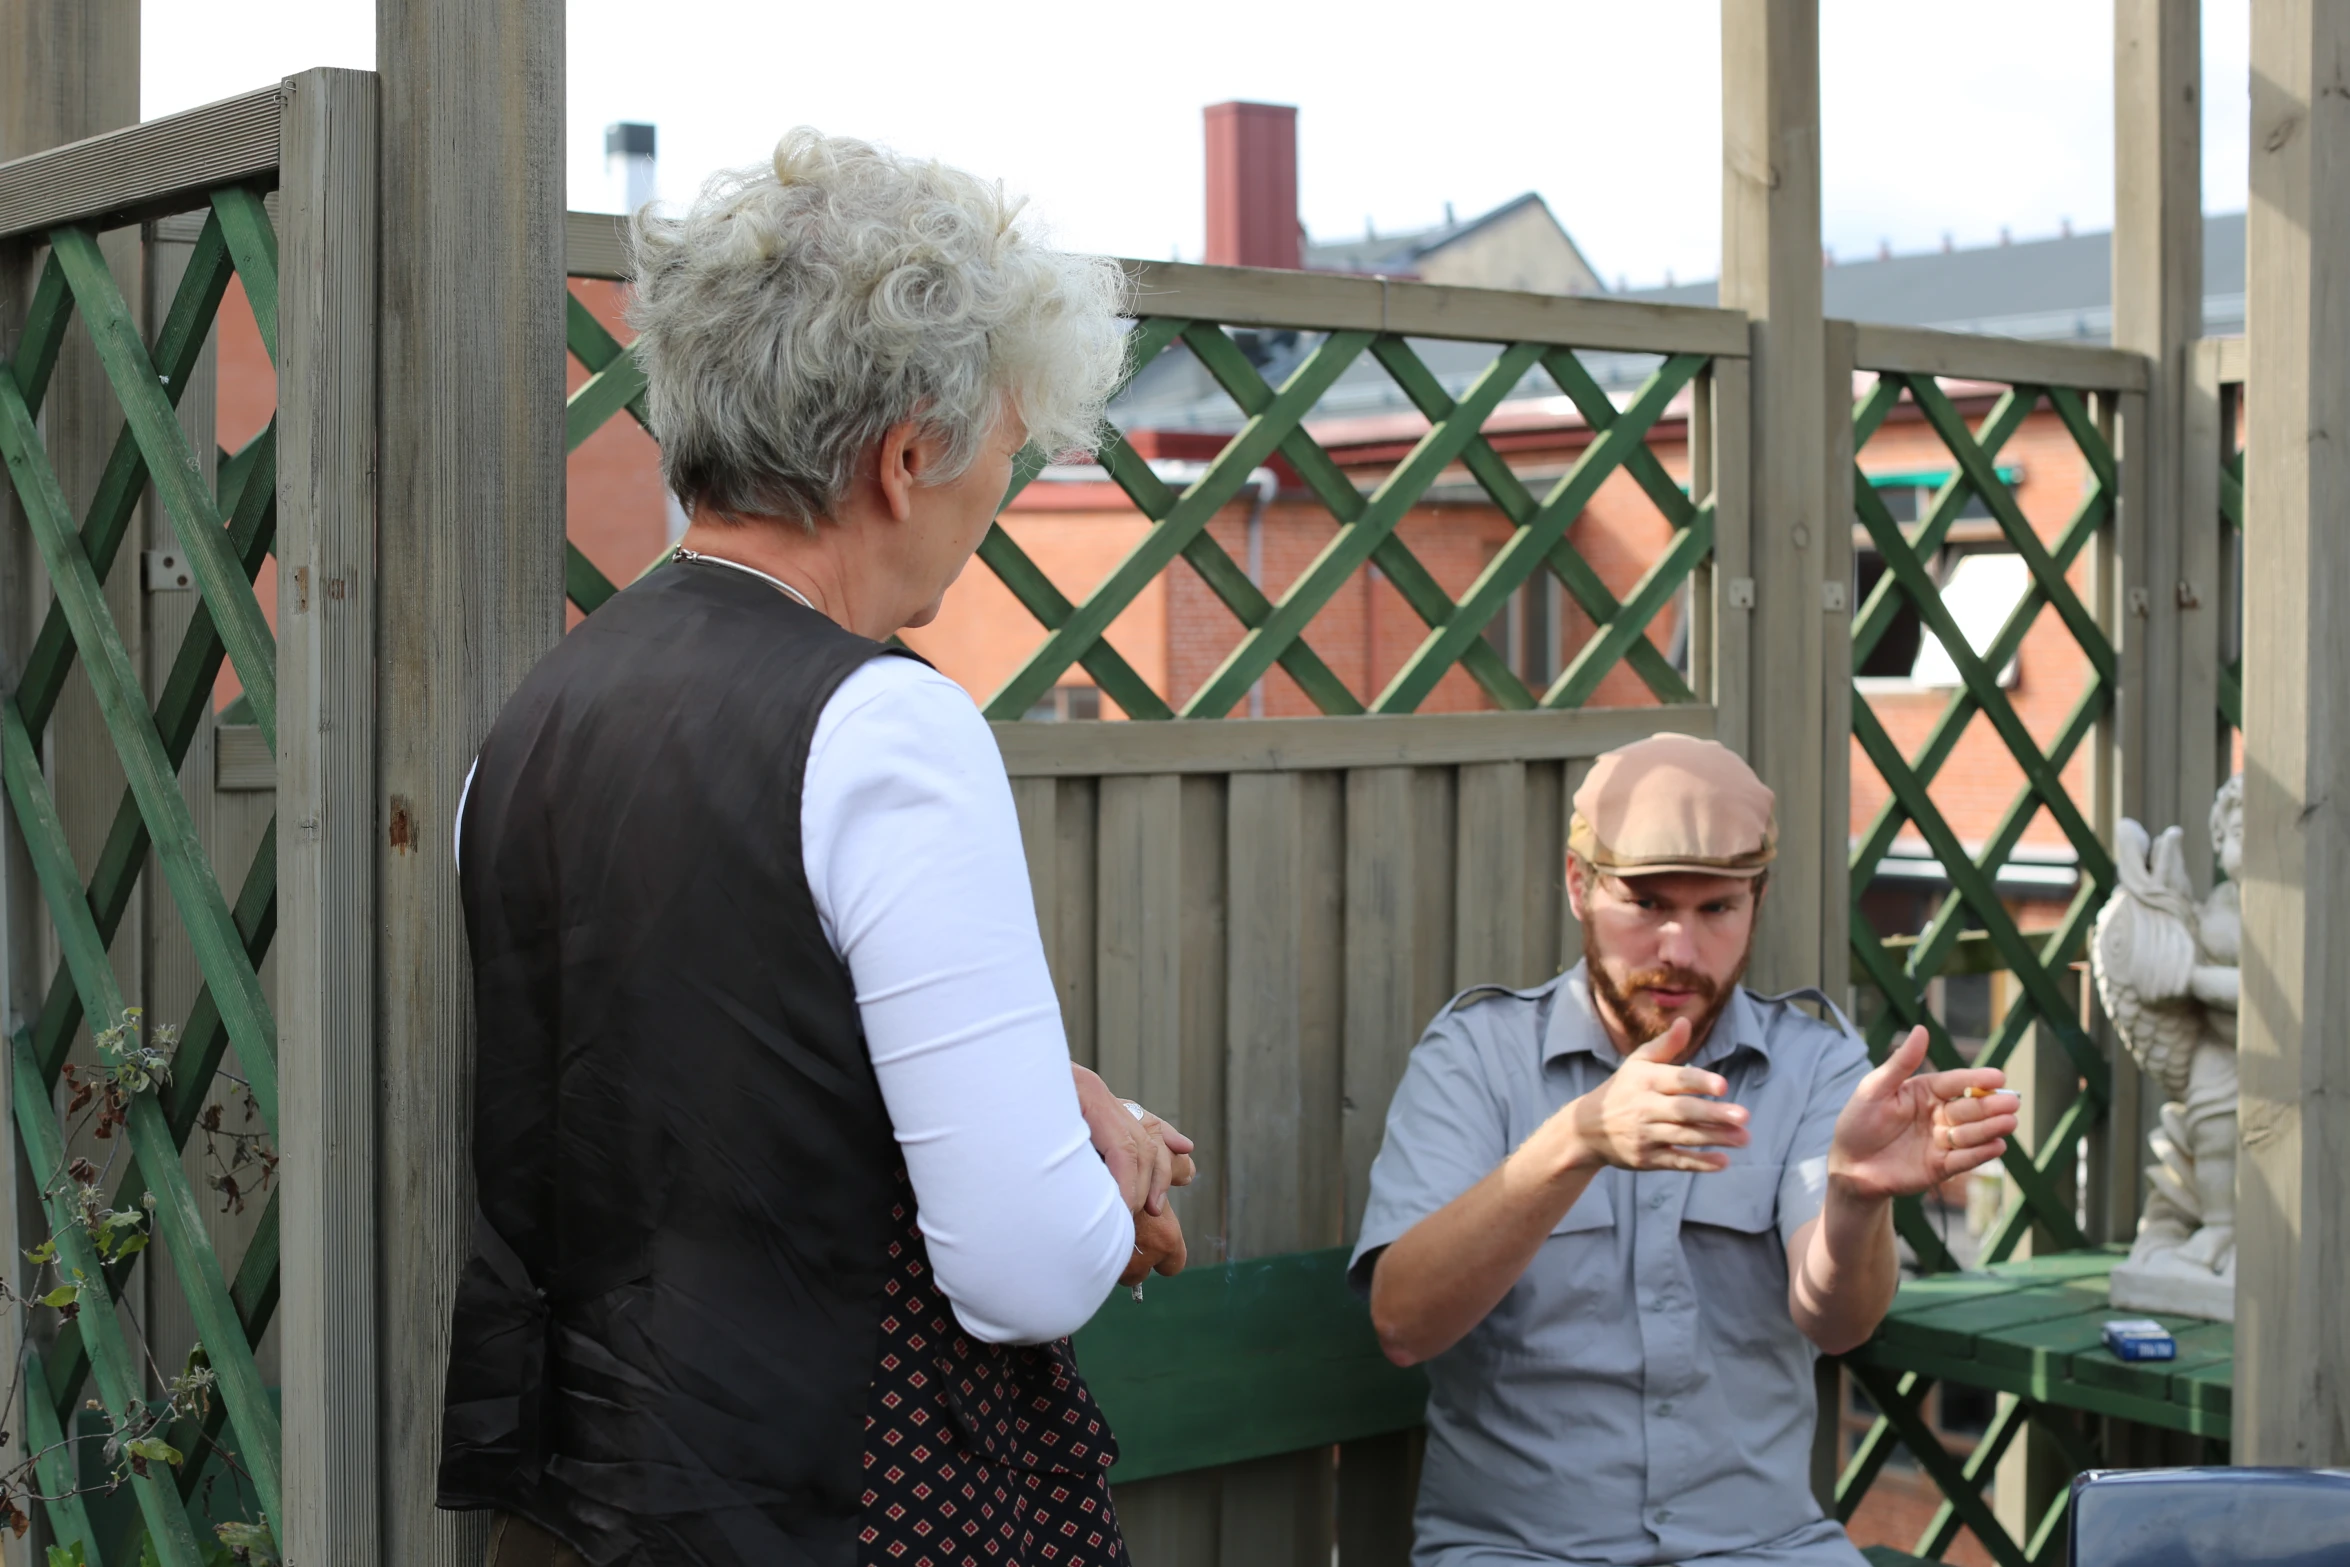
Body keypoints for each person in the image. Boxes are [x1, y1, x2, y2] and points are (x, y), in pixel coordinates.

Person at [437, 130, 1189, 1567]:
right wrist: (1118, 1171)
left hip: (577, 1517)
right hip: (836, 1509)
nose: (996, 504)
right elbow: (1024, 1266)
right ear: (907, 455)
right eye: (1003, 459)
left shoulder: (532, 722)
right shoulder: (886, 728)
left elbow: (707, 1085)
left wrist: (1043, 1091)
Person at [1352, 733, 2019, 1567]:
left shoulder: (1816, 1066)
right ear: (1578, 885)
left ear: (1758, 901)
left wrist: (1855, 1197)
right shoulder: (1476, 1057)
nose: (1679, 948)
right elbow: (1403, 1323)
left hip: (1766, 1548)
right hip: (1523, 1551)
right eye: (1646, 903)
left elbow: (1839, 1321)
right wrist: (1575, 1141)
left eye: (1717, 909)